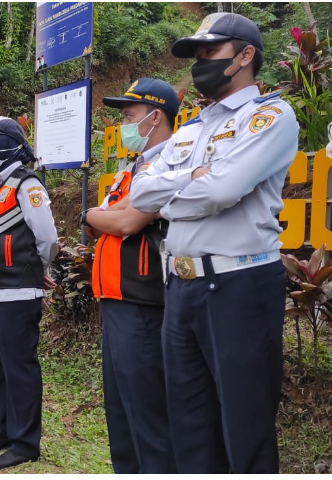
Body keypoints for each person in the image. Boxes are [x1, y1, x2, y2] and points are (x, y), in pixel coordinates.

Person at [130, 13, 298, 474]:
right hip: (181, 288)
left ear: (245, 56)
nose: (200, 63)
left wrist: (175, 195)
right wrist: (192, 179)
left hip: (239, 285)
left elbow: (223, 190)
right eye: (197, 55)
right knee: (188, 421)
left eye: (211, 52)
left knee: (245, 425)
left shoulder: (270, 117)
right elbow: (140, 192)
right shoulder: (189, 128)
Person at [83, 78, 178, 474]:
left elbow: (123, 222)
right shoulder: (130, 170)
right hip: (116, 301)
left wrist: (93, 215)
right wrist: (103, 217)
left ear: (156, 117)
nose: (123, 125)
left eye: (129, 116)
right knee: (120, 407)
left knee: (147, 409)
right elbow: (108, 218)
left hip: (144, 303)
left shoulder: (171, 161)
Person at [0, 117, 58, 470]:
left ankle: (25, 441)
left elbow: (47, 238)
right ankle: (1, 430)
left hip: (16, 292)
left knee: (19, 368)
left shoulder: (26, 184)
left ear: (11, 145)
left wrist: (40, 271)